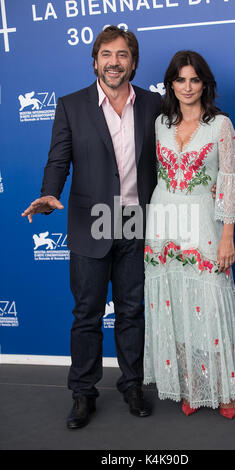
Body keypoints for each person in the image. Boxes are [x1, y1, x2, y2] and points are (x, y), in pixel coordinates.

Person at [21, 26, 162, 429]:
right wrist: (50, 194)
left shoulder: (153, 104)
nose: (113, 62)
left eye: (121, 55)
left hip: (137, 220)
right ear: (95, 60)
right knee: (87, 313)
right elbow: (58, 160)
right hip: (91, 222)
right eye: (106, 54)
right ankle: (83, 392)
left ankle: (132, 384)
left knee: (132, 312)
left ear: (133, 62)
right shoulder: (71, 105)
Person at [143, 50, 235, 419]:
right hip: (163, 221)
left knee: (210, 304)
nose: (187, 87)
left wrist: (227, 236)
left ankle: (222, 389)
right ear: (170, 84)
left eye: (194, 79)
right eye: (180, 79)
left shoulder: (221, 125)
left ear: (205, 83)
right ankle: (190, 385)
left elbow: (227, 184)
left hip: (204, 222)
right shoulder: (159, 123)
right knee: (175, 303)